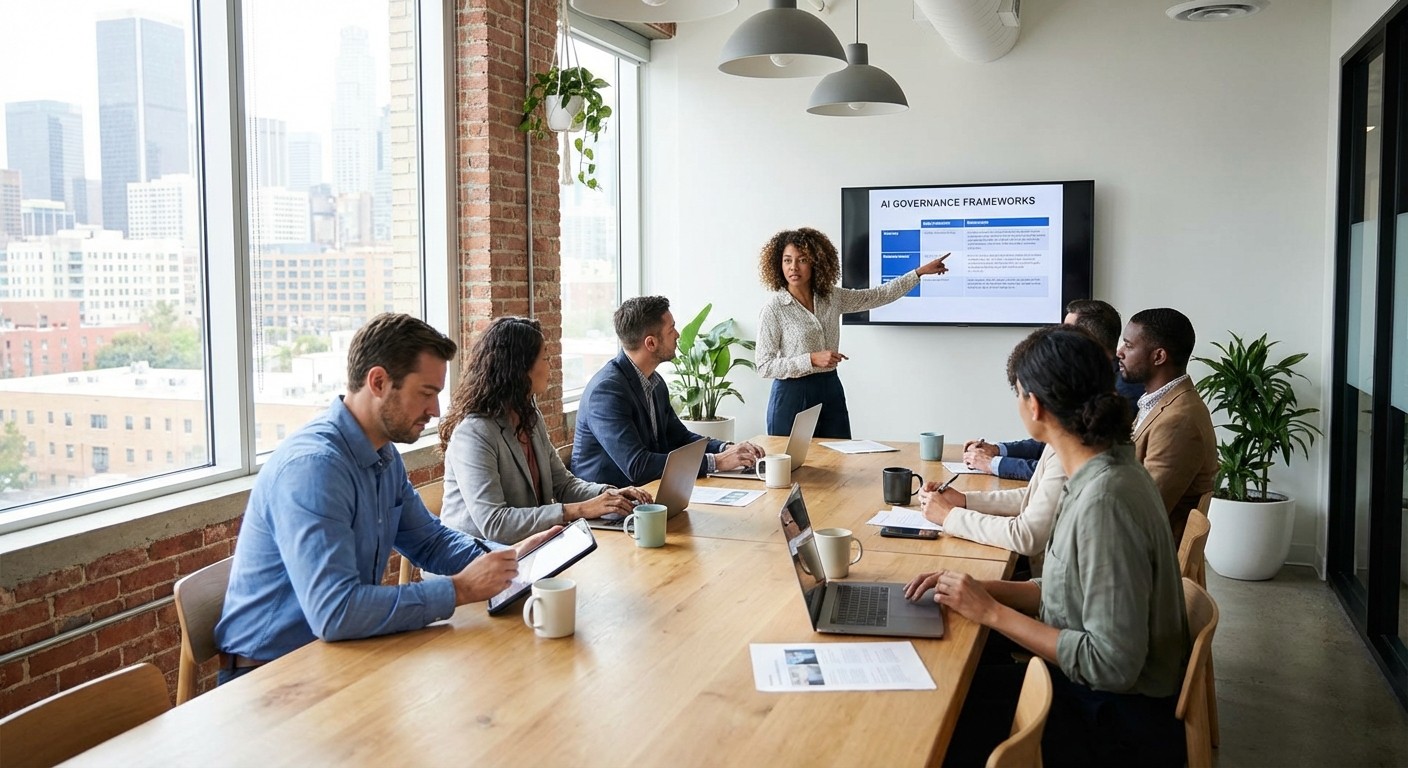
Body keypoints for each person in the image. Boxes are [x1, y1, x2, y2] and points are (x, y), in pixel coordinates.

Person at [213, 313, 559, 681]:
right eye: (426, 393)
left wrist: (506, 560)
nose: (436, 411)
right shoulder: (315, 468)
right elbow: (336, 612)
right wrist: (460, 589)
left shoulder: (381, 453)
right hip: (271, 677)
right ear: (378, 381)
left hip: (340, 653)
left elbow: (430, 541)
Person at [905, 326, 1190, 767]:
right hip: (1097, 698)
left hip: (1113, 724)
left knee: (935, 708)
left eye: (1018, 393)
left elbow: (1111, 665)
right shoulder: (1102, 466)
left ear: (1033, 404)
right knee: (957, 668)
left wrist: (992, 613)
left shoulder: (1105, 499)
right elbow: (1067, 586)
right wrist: (981, 589)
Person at [438, 317, 654, 543]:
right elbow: (495, 524)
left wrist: (608, 495)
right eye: (544, 358)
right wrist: (578, 510)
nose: (551, 365)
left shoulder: (529, 416)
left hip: (527, 545)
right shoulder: (474, 433)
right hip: (475, 558)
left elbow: (563, 484)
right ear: (520, 368)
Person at [754, 227, 949, 439]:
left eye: (802, 260)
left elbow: (876, 296)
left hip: (830, 388)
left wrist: (918, 273)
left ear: (815, 262)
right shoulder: (774, 309)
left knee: (838, 460)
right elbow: (764, 366)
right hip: (791, 394)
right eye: (787, 260)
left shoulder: (831, 297)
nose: (793, 267)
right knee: (791, 466)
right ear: (778, 263)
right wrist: (810, 359)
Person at [572, 296, 764, 487]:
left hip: (652, 491)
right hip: (613, 506)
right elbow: (638, 465)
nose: (678, 335)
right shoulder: (606, 392)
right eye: (671, 330)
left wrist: (726, 448)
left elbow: (680, 438)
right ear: (651, 343)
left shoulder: (654, 381)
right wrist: (717, 461)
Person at [961, 299, 1142, 480]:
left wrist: (993, 463)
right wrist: (997, 450)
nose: (1058, 338)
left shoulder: (1118, 392)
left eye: (1066, 332)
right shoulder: (1091, 378)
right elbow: (1056, 438)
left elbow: (1062, 470)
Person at [1117, 307, 1217, 544]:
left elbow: (1144, 510)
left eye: (1129, 346)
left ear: (1159, 357)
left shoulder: (1178, 420)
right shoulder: (1161, 403)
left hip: (1143, 556)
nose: (1119, 352)